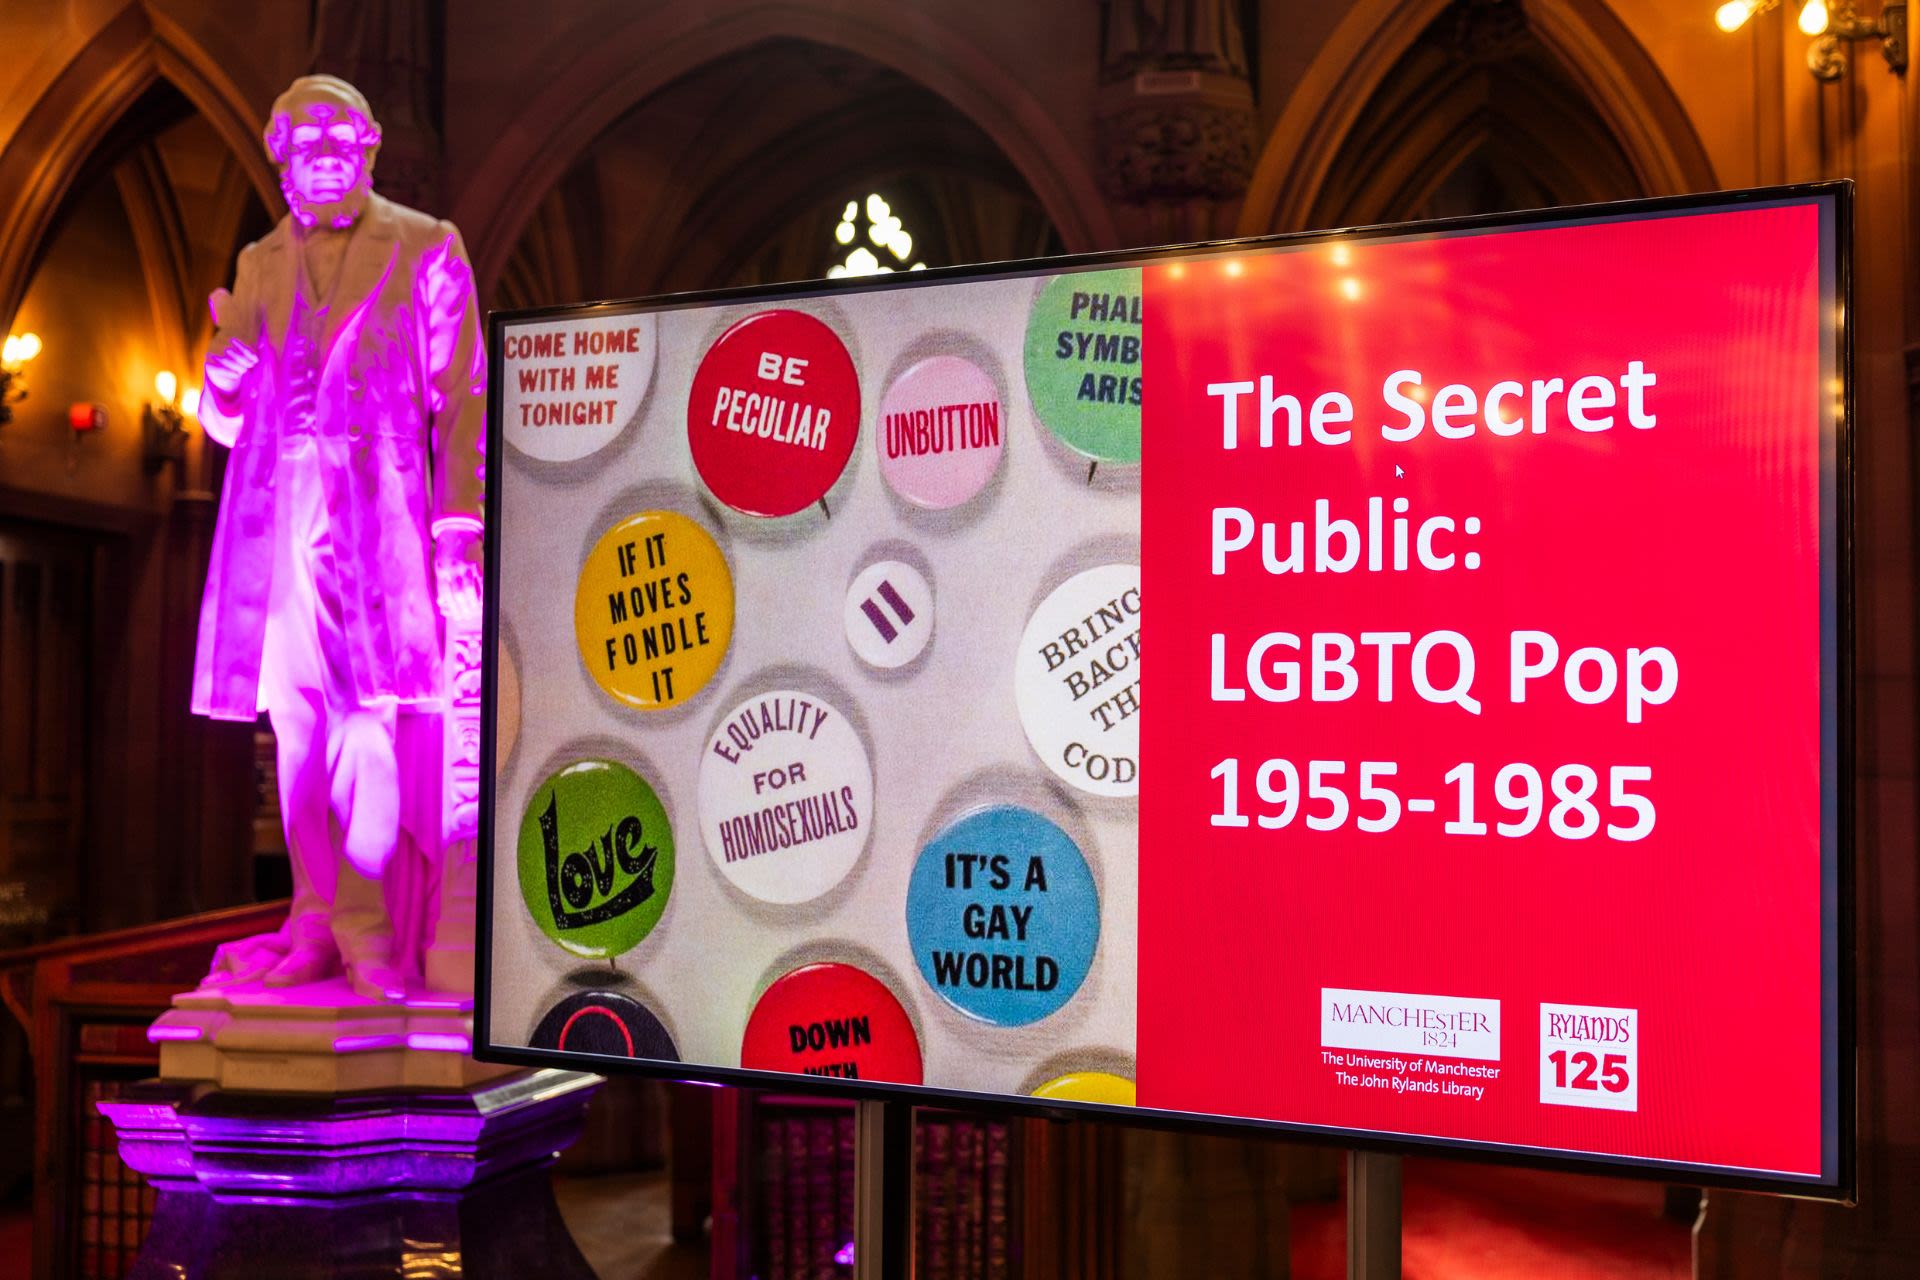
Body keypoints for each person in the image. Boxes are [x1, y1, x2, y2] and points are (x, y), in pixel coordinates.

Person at [191, 75, 484, 1001]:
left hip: (377, 509)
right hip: (274, 510)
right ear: (280, 157)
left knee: (367, 719)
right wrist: (222, 379)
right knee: (295, 723)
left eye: (338, 134)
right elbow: (224, 419)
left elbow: (465, 394)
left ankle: (365, 926)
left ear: (369, 147)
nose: (322, 149)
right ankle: (312, 920)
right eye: (304, 136)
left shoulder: (427, 245)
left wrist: (458, 530)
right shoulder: (259, 261)